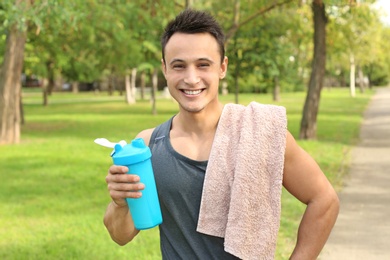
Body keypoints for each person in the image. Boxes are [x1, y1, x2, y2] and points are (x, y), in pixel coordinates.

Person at [103, 9, 339, 259]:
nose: (191, 78)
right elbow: (121, 235)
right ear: (165, 69)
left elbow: (324, 200)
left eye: (203, 65)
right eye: (179, 66)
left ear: (222, 67)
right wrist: (120, 204)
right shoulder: (149, 145)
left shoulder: (259, 133)